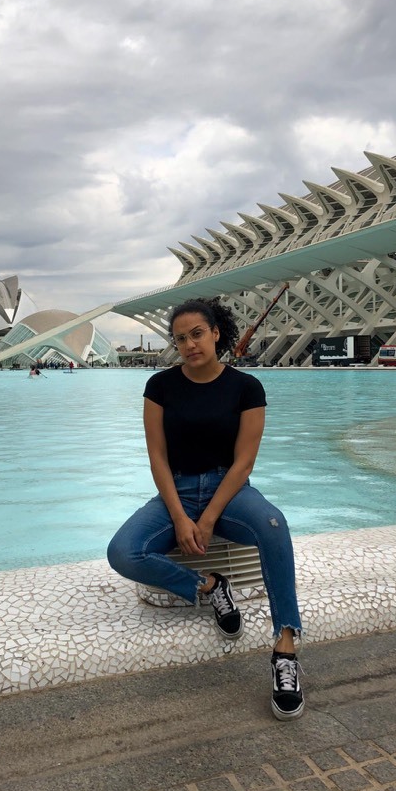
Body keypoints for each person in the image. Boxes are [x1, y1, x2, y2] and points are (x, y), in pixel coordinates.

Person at [107, 297, 304, 720]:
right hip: (176, 490)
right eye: (181, 338)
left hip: (229, 489)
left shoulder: (246, 387)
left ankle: (285, 648)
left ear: (217, 333)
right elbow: (157, 457)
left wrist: (210, 516)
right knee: (123, 552)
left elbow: (244, 462)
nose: (190, 344)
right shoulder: (160, 386)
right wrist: (179, 516)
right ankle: (209, 587)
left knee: (274, 525)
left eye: (197, 333)